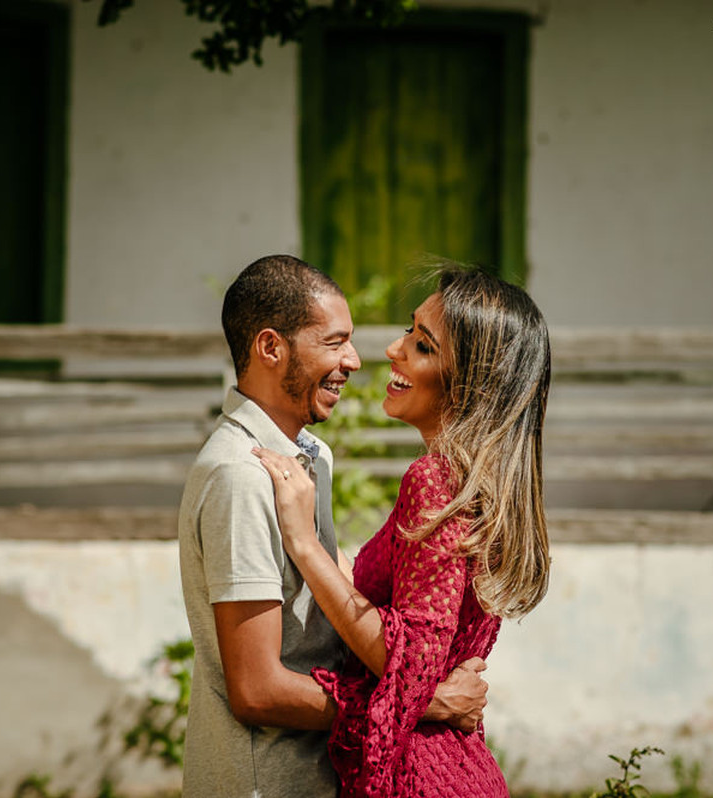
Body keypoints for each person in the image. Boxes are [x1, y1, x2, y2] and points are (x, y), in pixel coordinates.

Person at [177, 255, 491, 798]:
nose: (354, 358)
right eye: (334, 341)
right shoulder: (240, 476)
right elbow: (255, 690)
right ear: (271, 347)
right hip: (266, 781)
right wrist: (423, 701)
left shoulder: (310, 457)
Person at [254, 265, 553, 798]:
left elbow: (410, 664)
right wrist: (330, 549)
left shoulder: (435, 481)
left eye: (421, 346)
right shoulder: (476, 486)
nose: (393, 348)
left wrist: (302, 543)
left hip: (420, 779)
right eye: (408, 329)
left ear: (469, 381)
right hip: (456, 769)